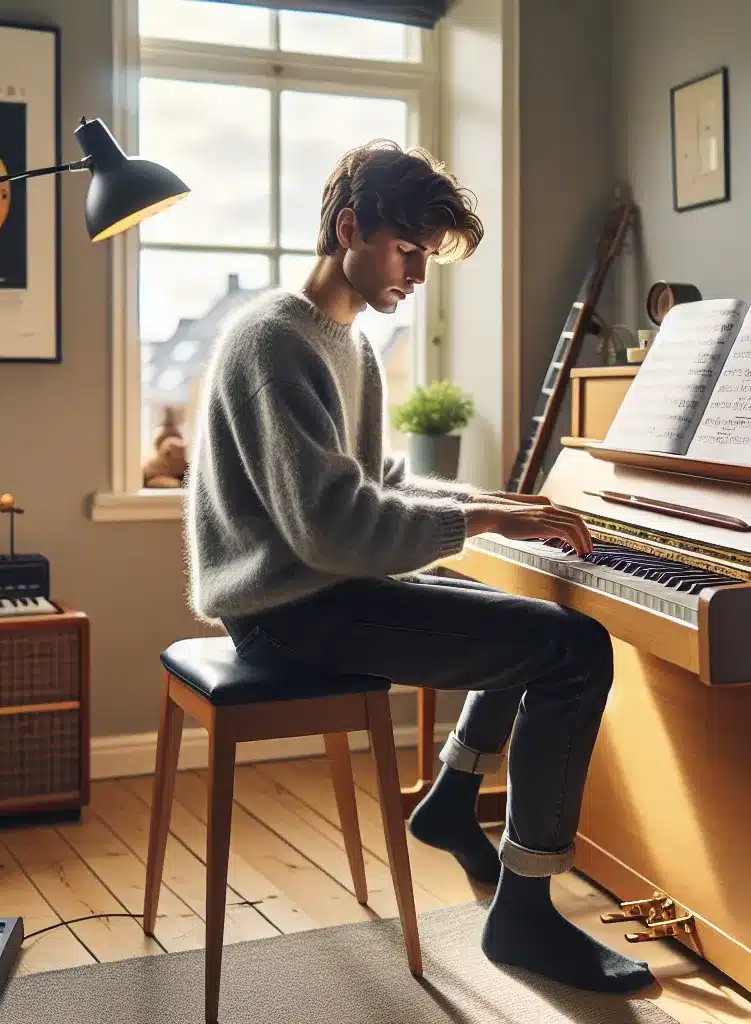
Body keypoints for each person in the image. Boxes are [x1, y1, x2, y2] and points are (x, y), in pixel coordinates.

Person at [183, 139, 653, 994]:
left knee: (506, 610)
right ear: (349, 227)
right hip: (286, 612)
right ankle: (526, 917)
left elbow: (381, 485)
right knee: (574, 653)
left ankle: (448, 800)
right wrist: (483, 513)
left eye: (428, 257)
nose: (418, 277)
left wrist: (497, 506)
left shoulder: (349, 346)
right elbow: (333, 526)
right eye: (409, 252)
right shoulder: (274, 341)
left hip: (320, 590)